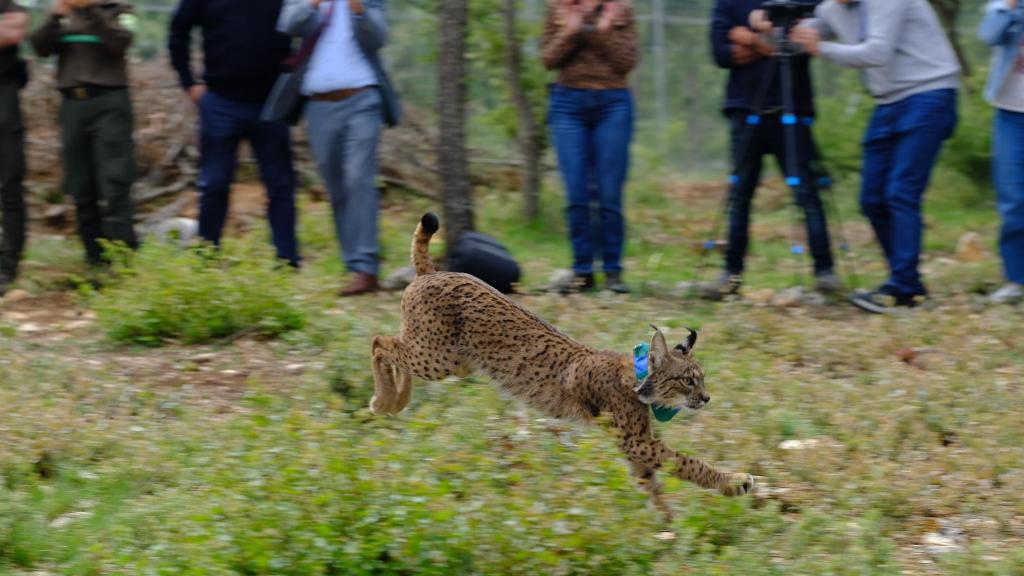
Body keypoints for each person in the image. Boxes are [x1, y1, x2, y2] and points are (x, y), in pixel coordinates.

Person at [785, 0, 961, 313]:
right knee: (872, 198)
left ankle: (904, 288)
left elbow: (877, 53)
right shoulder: (831, 9)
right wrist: (773, 26)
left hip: (929, 94)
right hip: (887, 103)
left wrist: (821, 47)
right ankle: (908, 284)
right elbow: (797, 41)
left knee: (901, 192)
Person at [704, 0, 839, 300]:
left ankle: (825, 271)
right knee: (741, 195)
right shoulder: (728, 3)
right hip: (744, 109)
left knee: (807, 193)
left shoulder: (805, 3)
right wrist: (763, 40)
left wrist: (747, 36)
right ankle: (730, 274)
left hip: (793, 108)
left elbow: (804, 42)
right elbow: (721, 53)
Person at [278, 0, 400, 297]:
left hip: (362, 98)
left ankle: (366, 268)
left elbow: (379, 38)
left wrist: (358, 11)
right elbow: (287, 24)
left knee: (359, 177)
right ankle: (353, 263)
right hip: (319, 105)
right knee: (336, 185)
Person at [169, 0, 301, 268]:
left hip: (271, 103)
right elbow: (177, 32)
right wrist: (189, 83)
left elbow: (308, 27)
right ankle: (207, 256)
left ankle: (287, 260)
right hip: (220, 102)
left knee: (280, 185)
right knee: (214, 184)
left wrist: (294, 85)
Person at [31, 0, 140, 267]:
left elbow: (119, 43)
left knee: (114, 182)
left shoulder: (122, 11)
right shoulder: (64, 13)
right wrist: (55, 17)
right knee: (81, 186)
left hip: (110, 102)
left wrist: (92, 10)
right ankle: (95, 260)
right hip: (73, 105)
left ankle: (123, 261)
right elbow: (39, 47)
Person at [542, 0, 637, 294]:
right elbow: (547, 59)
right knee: (576, 193)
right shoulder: (557, 7)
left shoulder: (621, 9)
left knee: (609, 194)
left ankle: (613, 272)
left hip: (613, 104)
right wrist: (570, 31)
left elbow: (627, 62)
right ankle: (582, 270)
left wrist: (604, 31)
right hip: (567, 104)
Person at [979, 0, 1024, 305]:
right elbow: (988, 35)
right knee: (1012, 201)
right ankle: (1017, 279)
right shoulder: (1006, 6)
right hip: (1011, 114)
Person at [0, 0, 27, 296]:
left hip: (4, 99)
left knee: (10, 183)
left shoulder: (12, 7)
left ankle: (8, 266)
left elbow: (12, 33)